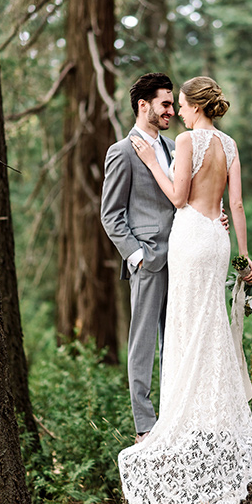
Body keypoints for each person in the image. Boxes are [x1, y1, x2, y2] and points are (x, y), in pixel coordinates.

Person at [118, 75, 252, 504]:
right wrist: (244, 257)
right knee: (211, 325)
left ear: (194, 107)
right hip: (217, 240)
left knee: (185, 330)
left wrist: (150, 160)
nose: (176, 111)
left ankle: (183, 417)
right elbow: (235, 204)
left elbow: (178, 196)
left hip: (187, 241)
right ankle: (217, 418)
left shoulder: (184, 141)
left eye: (179, 104)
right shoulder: (231, 144)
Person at [100, 73, 176, 443]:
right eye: (165, 103)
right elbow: (111, 214)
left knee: (175, 341)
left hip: (181, 259)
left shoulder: (176, 147)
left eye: (173, 104)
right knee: (143, 343)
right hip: (148, 261)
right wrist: (136, 256)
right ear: (143, 105)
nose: (171, 111)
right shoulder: (122, 152)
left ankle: (174, 413)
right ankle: (145, 426)